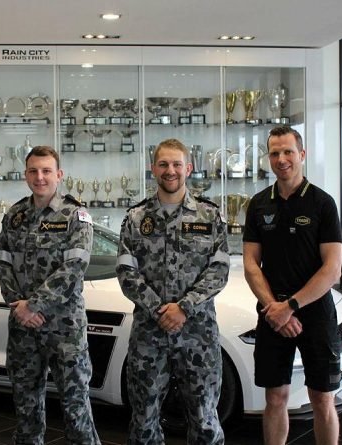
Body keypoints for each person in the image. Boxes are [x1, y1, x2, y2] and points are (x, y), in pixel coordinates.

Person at [116, 138, 230, 444]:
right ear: (153, 169)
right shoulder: (136, 218)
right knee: (143, 422)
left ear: (188, 168)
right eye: (163, 164)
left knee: (205, 420)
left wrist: (184, 307)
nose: (170, 171)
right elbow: (126, 272)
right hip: (148, 337)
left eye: (177, 164)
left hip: (198, 335)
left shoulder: (209, 216)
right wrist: (157, 309)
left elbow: (219, 271)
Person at [242, 126, 342, 445]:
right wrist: (275, 309)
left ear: (302, 154)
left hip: (314, 314)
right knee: (275, 397)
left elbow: (332, 269)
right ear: (268, 158)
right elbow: (250, 264)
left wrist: (291, 307)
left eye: (288, 151)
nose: (281, 159)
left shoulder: (322, 203)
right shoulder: (258, 204)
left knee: (322, 399)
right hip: (272, 312)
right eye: (274, 153)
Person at [0, 145, 100, 445]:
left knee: (75, 406)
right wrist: (19, 306)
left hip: (64, 328)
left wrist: (34, 305)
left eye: (46, 171)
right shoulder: (15, 214)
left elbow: (74, 268)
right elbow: (2, 262)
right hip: (23, 328)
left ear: (59, 174)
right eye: (33, 171)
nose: (39, 177)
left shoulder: (75, 215)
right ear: (26, 174)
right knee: (26, 406)